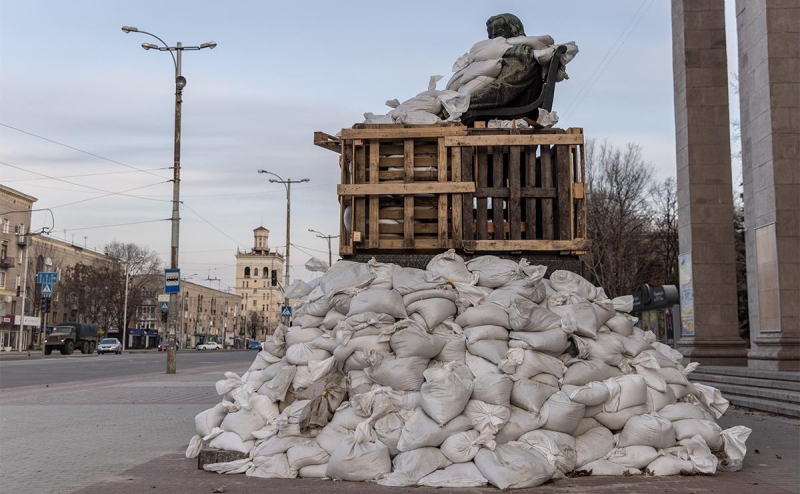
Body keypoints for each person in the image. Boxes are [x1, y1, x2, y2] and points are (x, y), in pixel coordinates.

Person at [468, 13, 544, 110]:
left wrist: (464, 102)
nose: (495, 40)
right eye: (491, 37)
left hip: (510, 110)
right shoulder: (501, 53)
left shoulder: (521, 52)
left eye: (499, 34)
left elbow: (503, 88)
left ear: (515, 31)